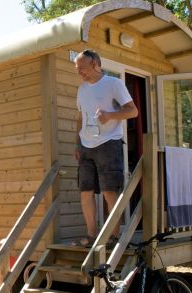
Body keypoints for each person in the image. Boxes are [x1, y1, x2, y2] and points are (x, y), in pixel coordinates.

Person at [73, 49, 138, 247]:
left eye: (82, 68)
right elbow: (81, 117)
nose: (79, 72)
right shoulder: (82, 89)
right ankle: (92, 236)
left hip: (109, 144)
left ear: (95, 64)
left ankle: (113, 237)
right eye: (77, 68)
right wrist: (77, 143)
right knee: (85, 192)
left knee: (110, 192)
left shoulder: (114, 84)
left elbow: (132, 111)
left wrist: (109, 115)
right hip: (86, 146)